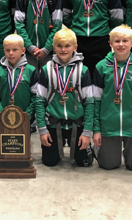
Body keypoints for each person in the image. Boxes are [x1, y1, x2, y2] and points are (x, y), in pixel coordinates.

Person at [92, 25, 132, 170]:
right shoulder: (101, 67)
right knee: (108, 165)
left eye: (125, 41)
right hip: (109, 126)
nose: (120, 44)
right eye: (117, 41)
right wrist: (97, 130)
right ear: (110, 44)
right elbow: (96, 101)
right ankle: (102, 151)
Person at [34, 28, 94, 167]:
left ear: (75, 47)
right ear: (53, 47)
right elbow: (39, 100)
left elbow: (90, 102)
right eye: (59, 46)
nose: (63, 50)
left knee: (83, 163)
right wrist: (42, 129)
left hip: (77, 121)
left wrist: (87, 132)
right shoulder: (46, 69)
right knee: (50, 162)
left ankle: (89, 148)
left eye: (67, 46)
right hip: (54, 122)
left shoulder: (83, 70)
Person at [15, 0, 62, 71]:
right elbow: (19, 24)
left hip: (48, 51)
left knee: (48, 82)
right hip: (28, 51)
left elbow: (57, 25)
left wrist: (47, 48)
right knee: (30, 82)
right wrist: (30, 47)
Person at [0, 34, 38, 132]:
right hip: (3, 119)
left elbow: (35, 96)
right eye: (7, 50)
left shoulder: (31, 71)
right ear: (4, 51)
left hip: (25, 118)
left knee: (24, 145)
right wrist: (1, 112)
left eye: (15, 50)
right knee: (5, 145)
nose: (10, 53)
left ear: (23, 50)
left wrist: (27, 114)